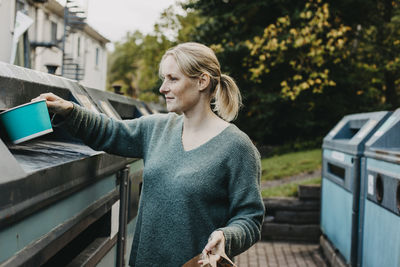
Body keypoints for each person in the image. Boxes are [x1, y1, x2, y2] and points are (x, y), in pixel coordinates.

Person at [33, 42, 265, 266]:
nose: (163, 88)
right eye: (164, 79)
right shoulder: (156, 128)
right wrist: (70, 111)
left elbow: (250, 218)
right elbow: (109, 131)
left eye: (173, 79)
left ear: (202, 81)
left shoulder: (237, 147)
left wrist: (227, 237)